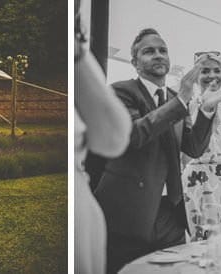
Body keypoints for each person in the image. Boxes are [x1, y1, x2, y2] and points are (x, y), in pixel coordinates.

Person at [93, 28, 221, 273]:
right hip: (130, 215)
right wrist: (180, 102)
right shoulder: (120, 91)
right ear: (135, 62)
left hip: (171, 215)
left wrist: (206, 112)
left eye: (163, 51)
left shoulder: (173, 98)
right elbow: (133, 135)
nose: (158, 55)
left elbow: (193, 147)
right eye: (149, 51)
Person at [74, 5, 132, 271]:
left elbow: (112, 137)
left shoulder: (75, 56)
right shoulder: (123, 89)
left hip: (82, 206)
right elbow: (116, 137)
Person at [178, 51, 221, 242]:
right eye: (205, 71)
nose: (212, 76)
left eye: (217, 70)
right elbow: (183, 154)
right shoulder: (186, 107)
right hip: (197, 184)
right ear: (196, 76)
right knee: (202, 247)